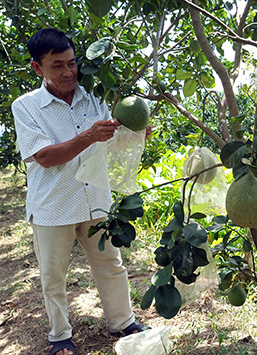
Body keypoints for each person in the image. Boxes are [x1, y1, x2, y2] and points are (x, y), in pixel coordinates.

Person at [12, 28, 152, 355]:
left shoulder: (94, 99)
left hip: (94, 198)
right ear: (37, 68)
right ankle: (60, 336)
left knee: (110, 265)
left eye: (72, 63)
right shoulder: (27, 107)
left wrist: (137, 131)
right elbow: (45, 157)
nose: (68, 72)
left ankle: (122, 321)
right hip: (53, 206)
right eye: (57, 65)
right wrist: (88, 137)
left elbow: (113, 140)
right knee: (53, 276)